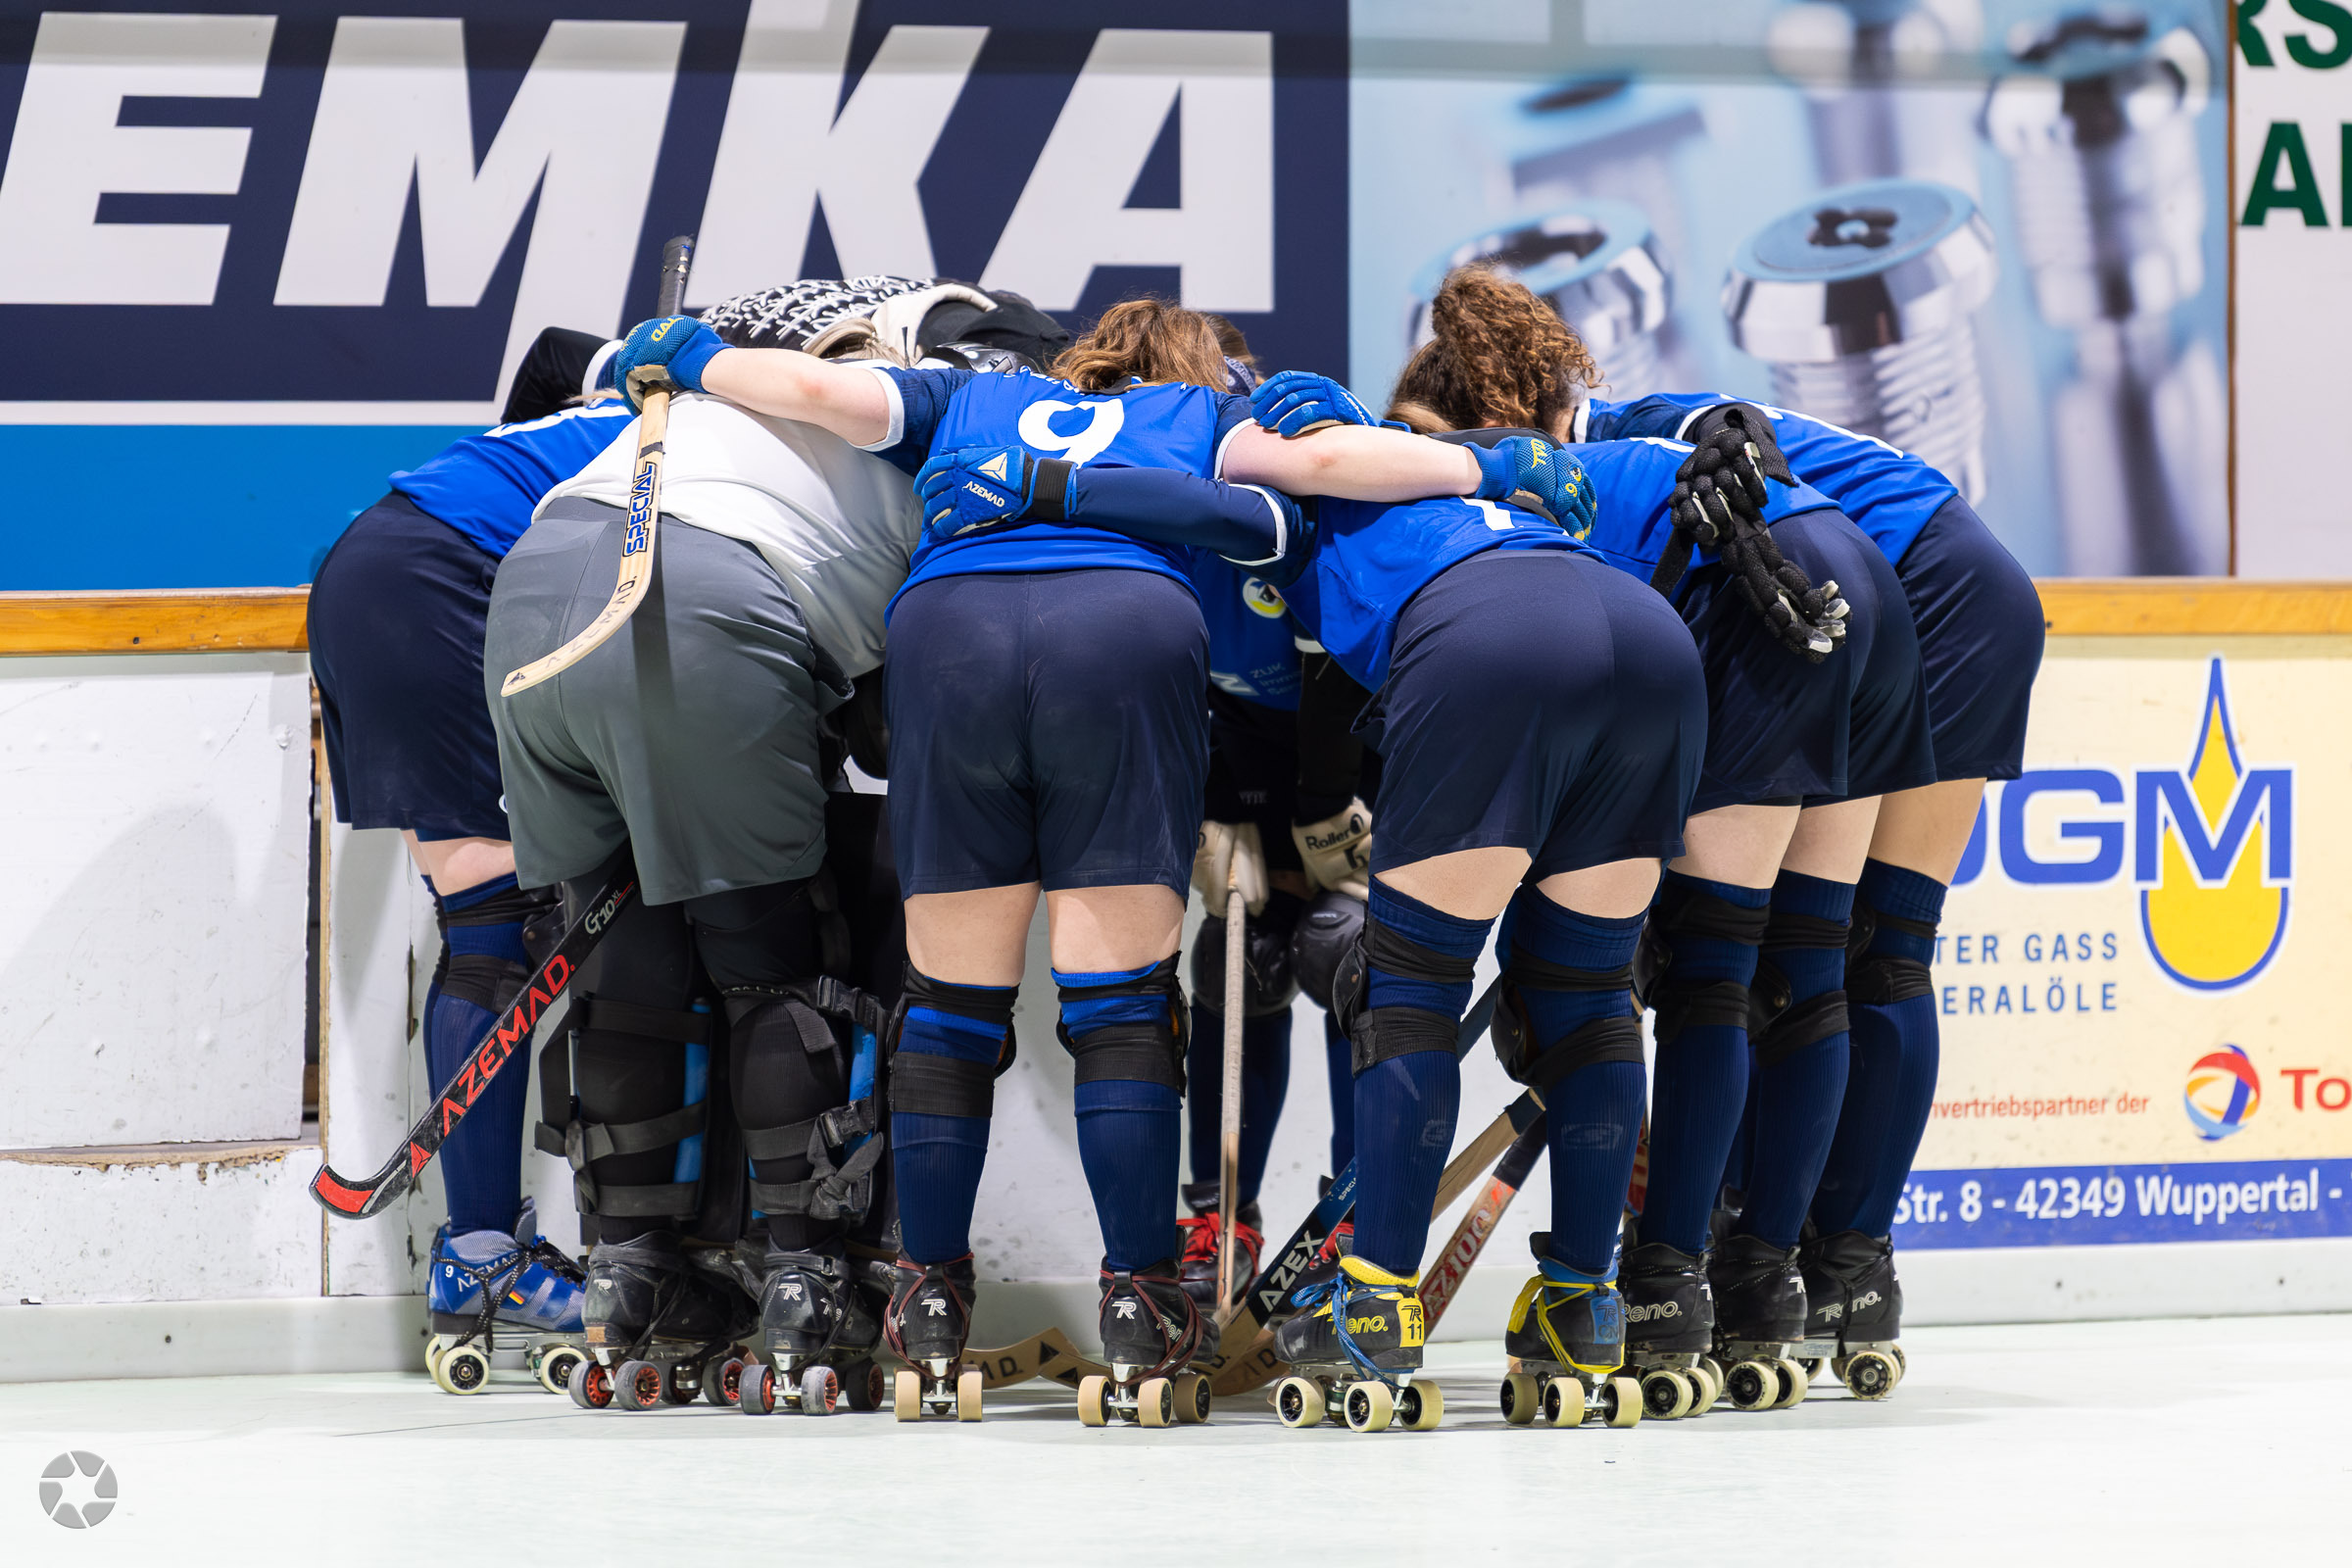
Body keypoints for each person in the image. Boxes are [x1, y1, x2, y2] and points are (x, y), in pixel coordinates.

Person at [618, 295, 1591, 1419]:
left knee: (949, 1008)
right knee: (1121, 1004)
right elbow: (1330, 470)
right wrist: (1497, 463)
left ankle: (927, 1302)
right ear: (1192, 365)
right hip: (1124, 626)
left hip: (951, 625)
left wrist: (696, 356)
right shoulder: (1196, 414)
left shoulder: (973, 394)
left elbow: (818, 391)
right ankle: (1140, 1303)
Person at [921, 340, 1706, 1432]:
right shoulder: (1469, 471)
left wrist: (1043, 486)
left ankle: (1375, 1300)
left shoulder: (1302, 486)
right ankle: (1585, 1303)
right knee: (1587, 1000)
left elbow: (1197, 510)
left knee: (1409, 990)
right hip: (1648, 642)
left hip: (1490, 639)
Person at [1253, 264, 1937, 1418]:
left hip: (1715, 613)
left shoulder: (1484, 480)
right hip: (1857, 585)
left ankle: (1503, 1293)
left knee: (1664, 976)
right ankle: (1696, 1289)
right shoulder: (1617, 440)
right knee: (1805, 961)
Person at [483, 281, 1056, 1412]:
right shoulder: (951, 427)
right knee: (774, 968)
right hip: (704, 600)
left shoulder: (755, 382)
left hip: (538, 583)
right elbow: (893, 726)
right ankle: (802, 1278)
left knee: (627, 969)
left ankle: (629, 1275)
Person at [1582, 387, 2043, 1396]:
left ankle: (1794, 1258)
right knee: (1857, 947)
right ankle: (1824, 1268)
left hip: (1923, 596)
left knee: (1832, 946)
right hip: (1944, 586)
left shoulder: (1613, 444)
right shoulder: (1643, 422)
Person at [307, 324, 627, 1393]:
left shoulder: (603, 406)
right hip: (434, 579)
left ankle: (487, 1250)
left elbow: (552, 351)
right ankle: (486, 1256)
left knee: (494, 919)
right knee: (496, 928)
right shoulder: (722, 419)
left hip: (379, 562)